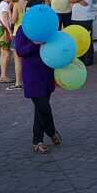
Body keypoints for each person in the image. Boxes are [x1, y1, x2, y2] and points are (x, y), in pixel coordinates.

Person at [15, 23, 62, 154]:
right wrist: (35, 43)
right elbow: (20, 51)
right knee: (44, 108)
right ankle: (52, 132)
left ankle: (37, 141)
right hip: (32, 75)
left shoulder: (49, 27)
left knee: (40, 110)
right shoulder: (23, 29)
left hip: (47, 73)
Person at [8, 0, 30, 91]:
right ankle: (28, 80)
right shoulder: (29, 4)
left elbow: (13, 21)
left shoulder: (16, 5)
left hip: (17, 33)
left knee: (17, 59)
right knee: (28, 58)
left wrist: (9, 10)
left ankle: (18, 83)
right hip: (28, 32)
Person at [71, 0, 94, 66]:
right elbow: (71, 0)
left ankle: (89, 59)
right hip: (75, 18)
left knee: (87, 38)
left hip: (85, 19)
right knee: (78, 39)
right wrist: (79, 0)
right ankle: (80, 57)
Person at [0, 0, 14, 84]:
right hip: (3, 30)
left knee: (3, 53)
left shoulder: (2, 5)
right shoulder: (5, 5)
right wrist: (9, 31)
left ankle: (3, 75)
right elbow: (5, 19)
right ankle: (4, 76)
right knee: (6, 54)